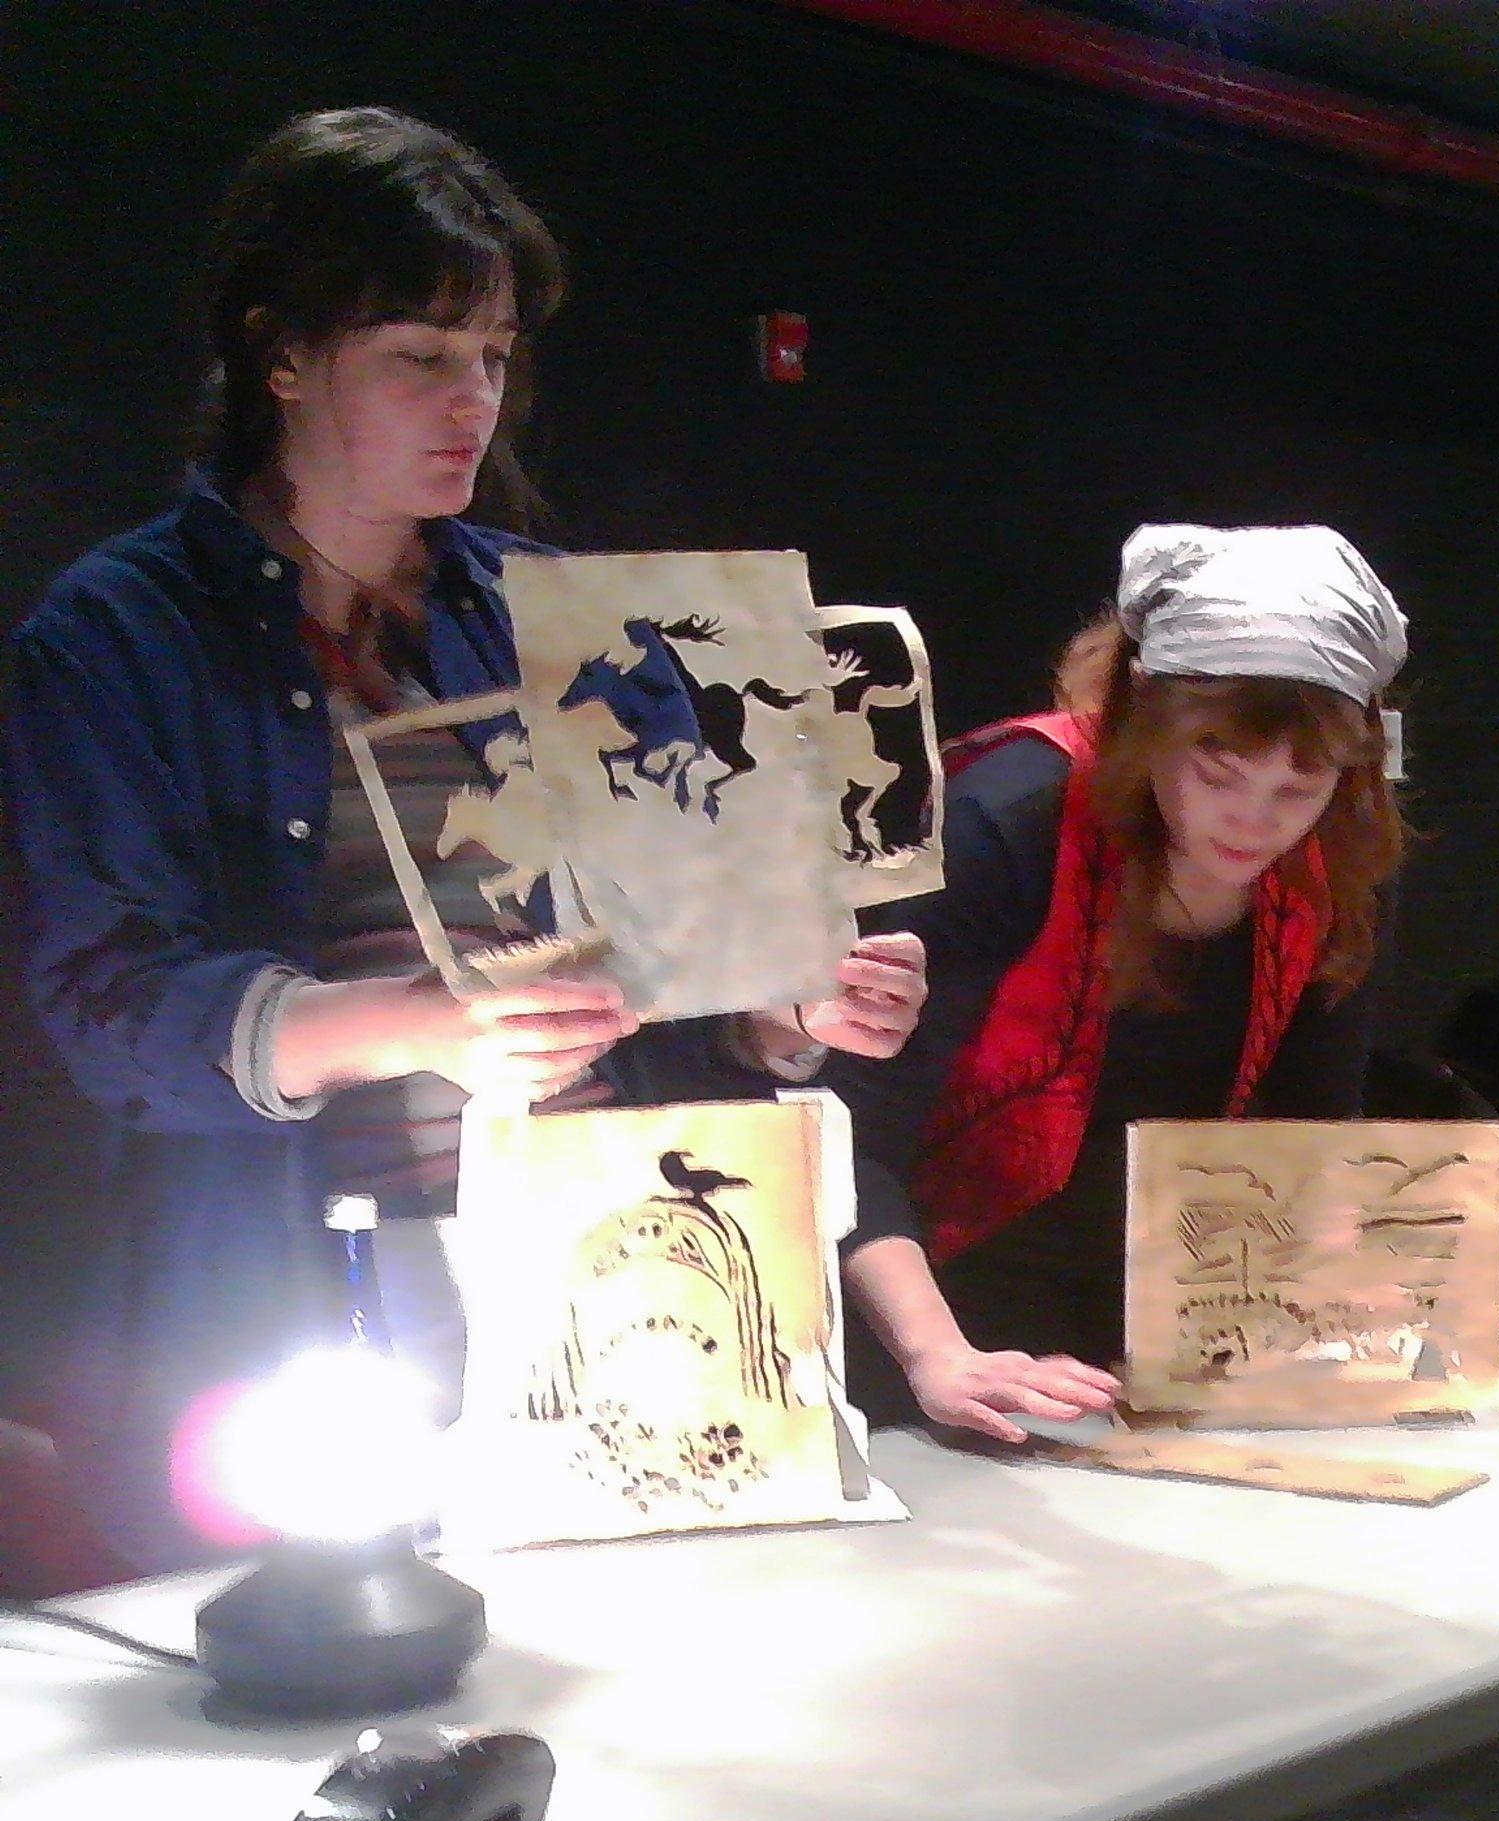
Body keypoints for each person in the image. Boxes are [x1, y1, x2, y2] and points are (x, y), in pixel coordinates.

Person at [1, 108, 924, 1569]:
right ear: (281, 355)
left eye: (492, 356)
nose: (472, 402)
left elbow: (677, 959)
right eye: (419, 356)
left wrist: (790, 1008)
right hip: (302, 1303)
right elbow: (111, 1007)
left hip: (597, 1259)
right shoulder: (121, 632)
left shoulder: (549, 606)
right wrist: (418, 1022)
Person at [824, 521, 1414, 1821]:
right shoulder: (1013, 815)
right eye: (1219, 765)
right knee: (977, 1725)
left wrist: (1313, 1343)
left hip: (1138, 1308)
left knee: (1164, 1688)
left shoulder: (1325, 871)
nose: (1254, 814)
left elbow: (1299, 1147)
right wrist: (936, 1361)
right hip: (925, 1294)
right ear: (1147, 715)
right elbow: (842, 1117)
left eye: (1301, 781)